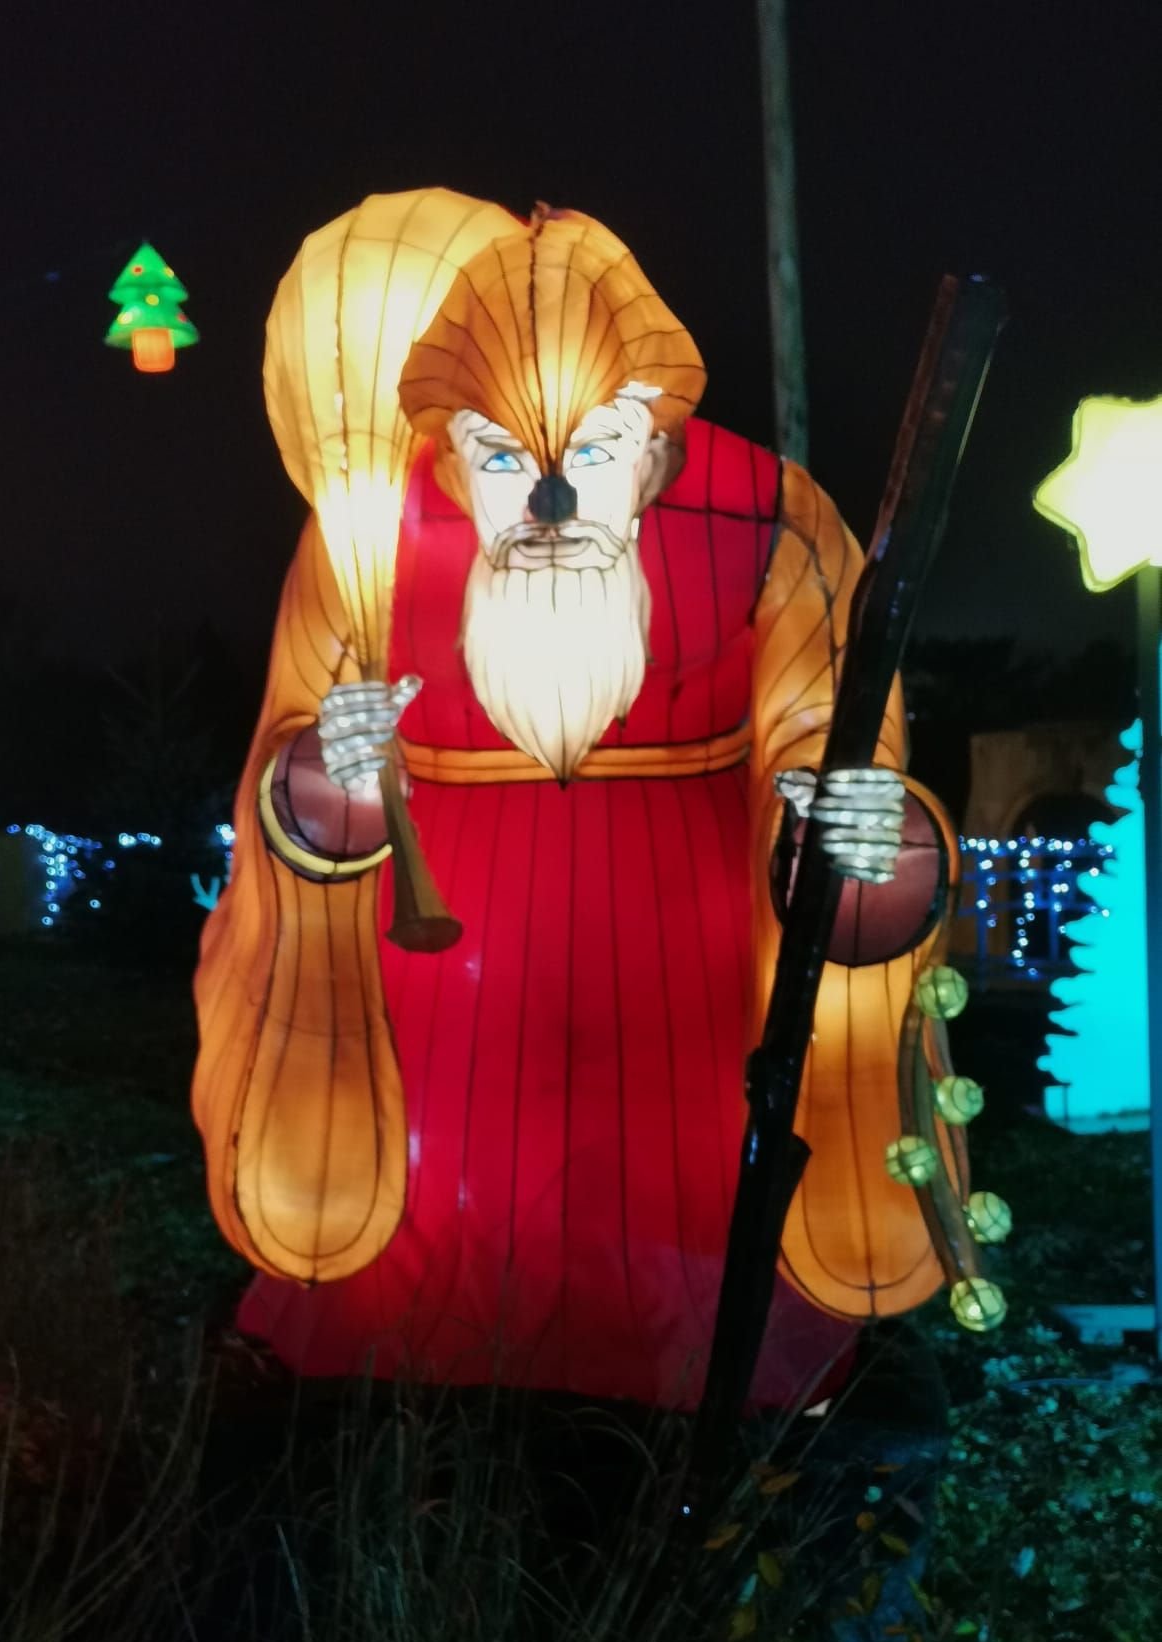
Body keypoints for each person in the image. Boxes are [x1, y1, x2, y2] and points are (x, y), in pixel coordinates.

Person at [194, 200, 971, 1418]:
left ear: (655, 449)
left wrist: (857, 843)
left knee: (692, 1278)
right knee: (424, 1318)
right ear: (455, 449)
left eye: (595, 452)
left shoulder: (771, 520)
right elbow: (300, 743)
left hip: (689, 1002)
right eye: (505, 459)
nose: (550, 504)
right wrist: (325, 789)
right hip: (437, 1012)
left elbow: (827, 727)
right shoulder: (367, 539)